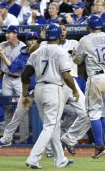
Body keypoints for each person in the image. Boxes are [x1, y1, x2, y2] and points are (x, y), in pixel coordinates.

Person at [22, 23, 78, 169]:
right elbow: (66, 75)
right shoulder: (60, 52)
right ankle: (33, 158)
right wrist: (75, 90)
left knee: (53, 126)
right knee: (50, 126)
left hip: (39, 89)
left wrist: (24, 95)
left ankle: (60, 159)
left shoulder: (36, 52)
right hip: (53, 89)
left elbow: (25, 75)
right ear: (60, 35)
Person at [40, 24, 90, 156]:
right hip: (56, 83)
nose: (62, 32)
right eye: (60, 29)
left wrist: (77, 56)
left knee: (88, 113)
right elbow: (33, 51)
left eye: (64, 29)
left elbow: (83, 58)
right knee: (54, 119)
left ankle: (68, 139)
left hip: (72, 82)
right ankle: (51, 150)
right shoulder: (46, 45)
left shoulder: (74, 43)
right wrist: (42, 39)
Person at [73, 14, 105, 159]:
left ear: (89, 26)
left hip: (96, 78)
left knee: (93, 114)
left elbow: (77, 61)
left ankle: (99, 145)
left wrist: (74, 55)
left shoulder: (85, 39)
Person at [0, 32, 39, 148]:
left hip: (43, 89)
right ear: (27, 42)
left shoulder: (45, 52)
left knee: (48, 119)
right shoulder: (23, 55)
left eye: (34, 39)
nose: (32, 41)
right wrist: (3, 56)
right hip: (28, 91)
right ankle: (6, 138)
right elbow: (12, 68)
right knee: (17, 114)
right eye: (30, 39)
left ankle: (50, 147)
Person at [0, 25, 27, 143]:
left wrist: (3, 55)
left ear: (16, 34)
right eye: (6, 33)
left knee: (23, 108)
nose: (7, 34)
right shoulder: (3, 45)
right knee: (7, 107)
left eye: (10, 32)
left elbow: (15, 68)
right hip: (7, 78)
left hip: (20, 79)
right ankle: (8, 138)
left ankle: (24, 138)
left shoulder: (23, 47)